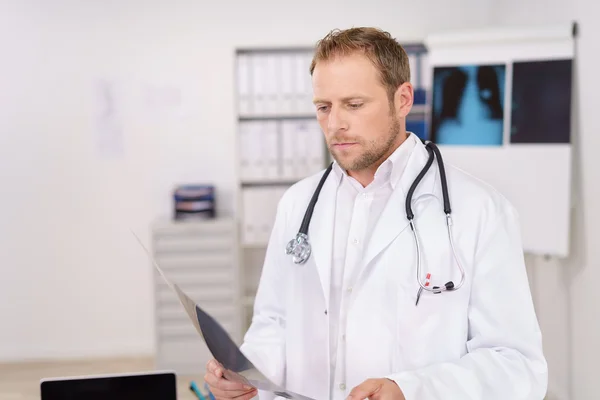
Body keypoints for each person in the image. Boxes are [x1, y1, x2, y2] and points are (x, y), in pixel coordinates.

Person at [204, 27, 548, 400]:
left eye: (354, 104)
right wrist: (248, 376)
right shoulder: (298, 203)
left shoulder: (480, 210)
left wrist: (411, 390)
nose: (335, 124)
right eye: (324, 107)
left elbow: (516, 365)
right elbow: (274, 323)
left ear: (402, 100)